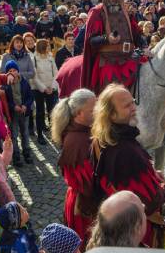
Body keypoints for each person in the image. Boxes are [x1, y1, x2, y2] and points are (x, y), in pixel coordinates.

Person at [90, 85, 165, 246]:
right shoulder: (127, 151)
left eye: (133, 102)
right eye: (127, 106)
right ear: (111, 114)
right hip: (138, 232)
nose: (134, 108)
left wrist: (151, 175)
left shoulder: (99, 139)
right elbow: (149, 202)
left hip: (116, 224)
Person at [81, 0, 147, 93]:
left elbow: (136, 33)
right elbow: (91, 41)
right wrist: (107, 38)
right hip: (108, 60)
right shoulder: (96, 13)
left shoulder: (126, 11)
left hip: (129, 57)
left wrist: (144, 46)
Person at [50, 89, 96, 244]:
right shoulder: (77, 141)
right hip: (83, 206)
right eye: (92, 109)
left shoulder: (83, 131)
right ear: (78, 113)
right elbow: (89, 184)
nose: (97, 112)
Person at [2, 61, 33, 167]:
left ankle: (27, 152)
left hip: (24, 111)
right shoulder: (6, 84)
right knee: (14, 135)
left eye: (14, 70)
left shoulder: (24, 81)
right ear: (7, 73)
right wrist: (13, 106)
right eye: (10, 71)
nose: (13, 73)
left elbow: (30, 96)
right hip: (13, 113)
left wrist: (26, 105)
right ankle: (16, 156)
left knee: (25, 133)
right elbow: (6, 100)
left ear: (18, 71)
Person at [30, 39, 58, 144]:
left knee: (52, 111)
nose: (49, 47)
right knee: (40, 112)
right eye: (47, 46)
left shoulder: (50, 57)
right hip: (39, 90)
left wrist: (52, 87)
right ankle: (40, 134)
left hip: (51, 88)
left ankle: (53, 133)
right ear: (42, 47)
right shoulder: (34, 59)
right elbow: (34, 77)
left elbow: (55, 72)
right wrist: (44, 88)